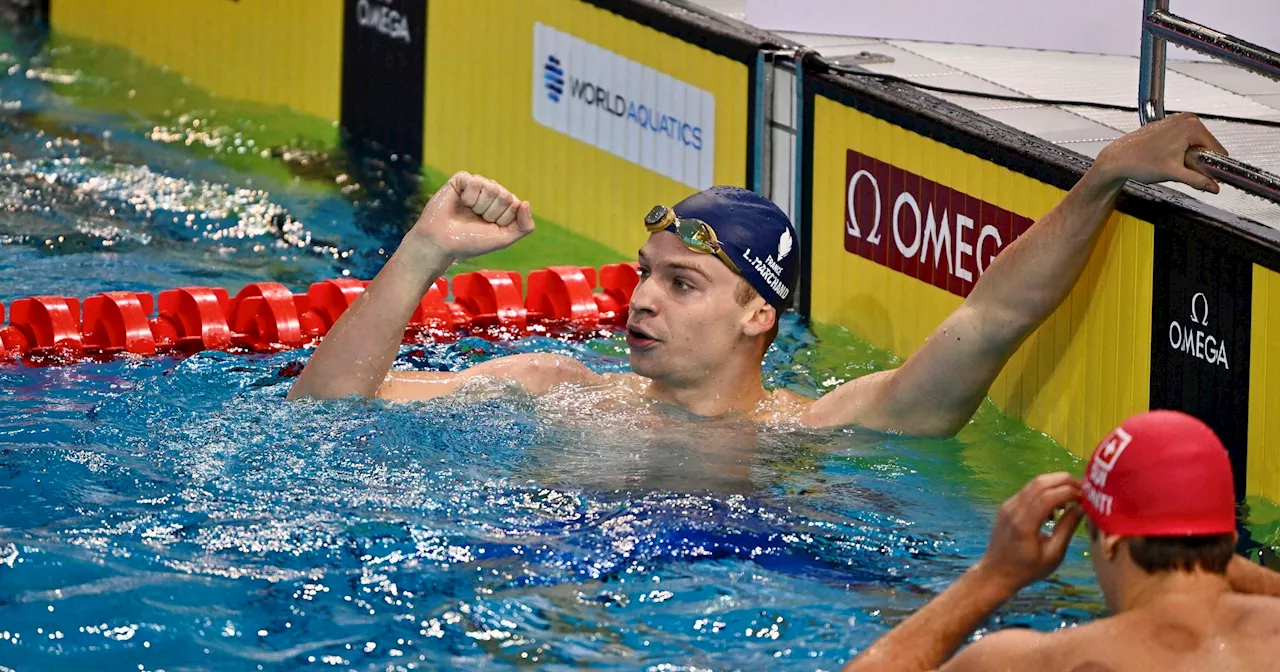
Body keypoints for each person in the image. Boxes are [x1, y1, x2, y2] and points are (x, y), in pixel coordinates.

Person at [288, 114, 1226, 438]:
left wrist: (1104, 175)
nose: (643, 298)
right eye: (645, 274)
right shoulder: (552, 388)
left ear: (757, 317)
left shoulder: (819, 429)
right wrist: (423, 250)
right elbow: (327, 406)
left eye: (683, 283)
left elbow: (989, 320)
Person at [844, 410, 1280, 672]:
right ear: (1228, 536)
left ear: (1108, 539)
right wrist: (1208, 562)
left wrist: (992, 576)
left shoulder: (1041, 661)